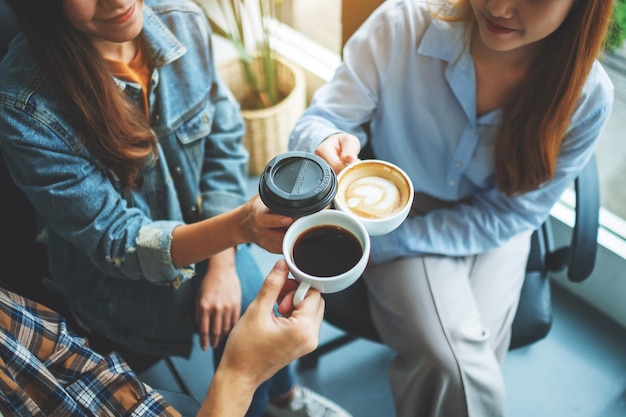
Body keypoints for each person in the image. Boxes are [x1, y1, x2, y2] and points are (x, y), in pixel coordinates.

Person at [0, 0, 351, 416]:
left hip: (212, 231)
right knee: (259, 319)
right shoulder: (25, 106)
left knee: (262, 302)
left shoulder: (182, 21)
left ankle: (282, 398)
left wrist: (222, 262)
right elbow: (118, 241)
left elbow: (222, 141)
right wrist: (239, 228)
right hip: (120, 288)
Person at [288, 0, 615, 416]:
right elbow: (324, 116)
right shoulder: (403, 23)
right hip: (400, 209)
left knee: (462, 361)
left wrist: (387, 248)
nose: (498, 7)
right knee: (458, 364)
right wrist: (324, 143)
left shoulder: (587, 96)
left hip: (497, 219)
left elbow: (516, 213)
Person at [0, 260, 326, 417]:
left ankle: (281, 397)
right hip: (114, 278)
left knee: (249, 293)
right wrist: (240, 376)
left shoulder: (8, 312)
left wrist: (223, 259)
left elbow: (77, 366)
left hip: (204, 235)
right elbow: (113, 235)